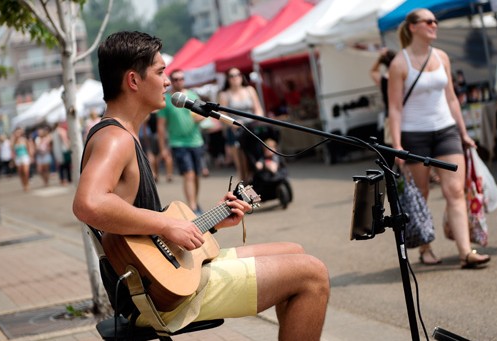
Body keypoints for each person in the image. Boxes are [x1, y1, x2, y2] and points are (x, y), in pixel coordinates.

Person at [73, 31, 329, 340]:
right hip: (157, 297)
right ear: (133, 81)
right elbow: (88, 203)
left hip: (157, 276)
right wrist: (167, 225)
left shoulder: (122, 134)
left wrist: (213, 224)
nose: (167, 82)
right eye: (160, 72)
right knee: (312, 274)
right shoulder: (115, 139)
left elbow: (146, 235)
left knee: (295, 251)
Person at [387, 9, 491, 268]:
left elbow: (452, 98)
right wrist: (397, 145)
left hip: (446, 130)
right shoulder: (400, 63)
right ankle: (425, 248)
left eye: (436, 21)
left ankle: (466, 252)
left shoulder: (442, 56)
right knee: (420, 194)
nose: (435, 24)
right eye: (428, 21)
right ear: (413, 27)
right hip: (415, 134)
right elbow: (395, 108)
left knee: (455, 190)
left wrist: (464, 132)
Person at [157, 69, 206, 214]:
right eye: (176, 79)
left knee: (196, 175)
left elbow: (202, 114)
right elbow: (161, 126)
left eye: (182, 79)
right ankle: (192, 207)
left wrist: (200, 117)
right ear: (171, 81)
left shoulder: (192, 95)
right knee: (188, 174)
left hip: (196, 141)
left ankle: (195, 202)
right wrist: (163, 148)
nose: (179, 81)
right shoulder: (167, 99)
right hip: (178, 143)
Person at [218, 67, 265, 182]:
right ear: (228, 79)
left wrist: (255, 120)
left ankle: (260, 185)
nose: (235, 78)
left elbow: (258, 109)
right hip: (236, 130)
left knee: (256, 159)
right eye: (231, 76)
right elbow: (222, 116)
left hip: (251, 128)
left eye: (237, 75)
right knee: (242, 165)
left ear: (241, 76)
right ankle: (246, 188)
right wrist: (234, 124)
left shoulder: (249, 90)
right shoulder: (224, 94)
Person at [371, 48, 397, 146]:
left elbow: (373, 71)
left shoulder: (383, 79)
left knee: (393, 147)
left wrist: (380, 58)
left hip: (389, 116)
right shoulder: (403, 76)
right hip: (407, 114)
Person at [11, 127, 33, 192]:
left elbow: (29, 148)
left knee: (25, 171)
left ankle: (27, 183)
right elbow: (12, 151)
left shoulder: (24, 140)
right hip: (18, 158)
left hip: (25, 156)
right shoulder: (13, 141)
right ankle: (24, 184)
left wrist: (31, 156)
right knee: (21, 172)